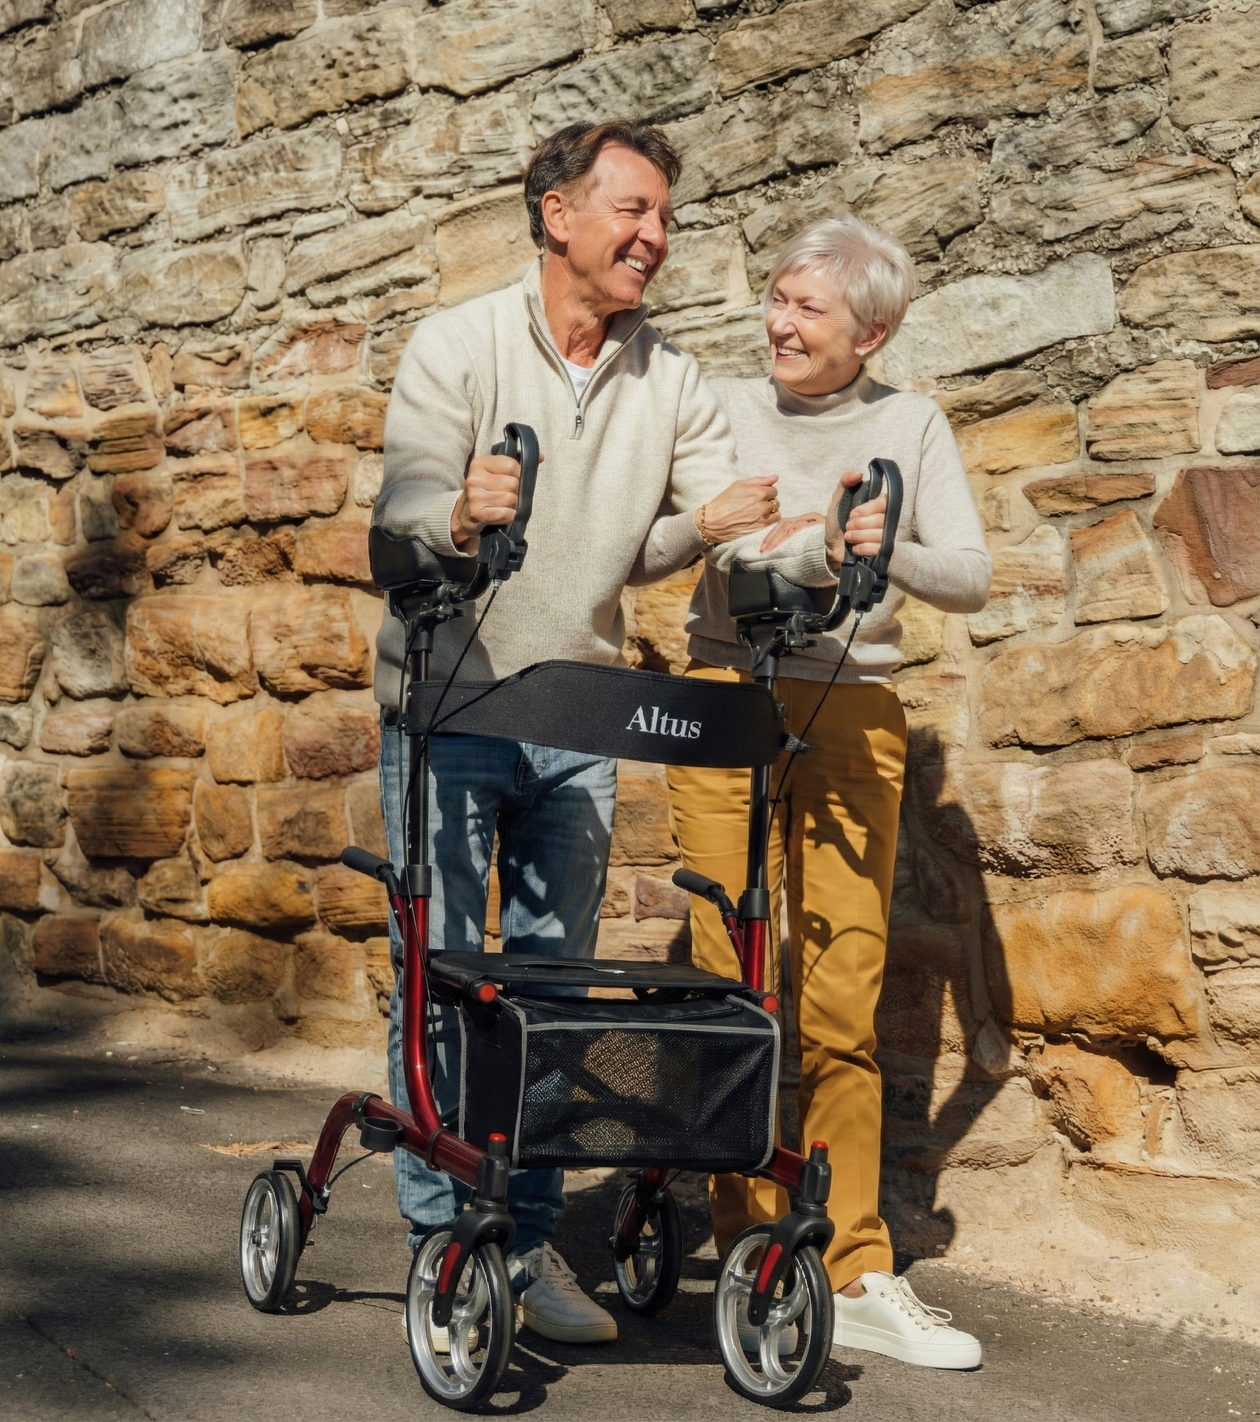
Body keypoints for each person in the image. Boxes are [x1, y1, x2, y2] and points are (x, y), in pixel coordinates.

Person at [371, 121, 801, 1345]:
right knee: (446, 976)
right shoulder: (456, 344)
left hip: (576, 713)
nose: (653, 237)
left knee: (556, 992)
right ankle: (440, 1239)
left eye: (664, 216)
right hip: (452, 701)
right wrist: (455, 511)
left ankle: (522, 1241)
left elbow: (673, 539)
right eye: (632, 209)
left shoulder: (669, 377)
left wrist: (712, 527)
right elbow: (401, 514)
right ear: (557, 213)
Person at [666, 214, 994, 1368]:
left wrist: (881, 543)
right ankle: (745, 1242)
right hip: (725, 692)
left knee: (839, 999)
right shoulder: (715, 404)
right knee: (724, 977)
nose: (779, 323)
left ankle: (851, 1263)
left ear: (872, 331)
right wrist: (813, 546)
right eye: (774, 298)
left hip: (852, 704)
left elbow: (969, 574)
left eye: (807, 308)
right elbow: (722, 559)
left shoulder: (909, 420)